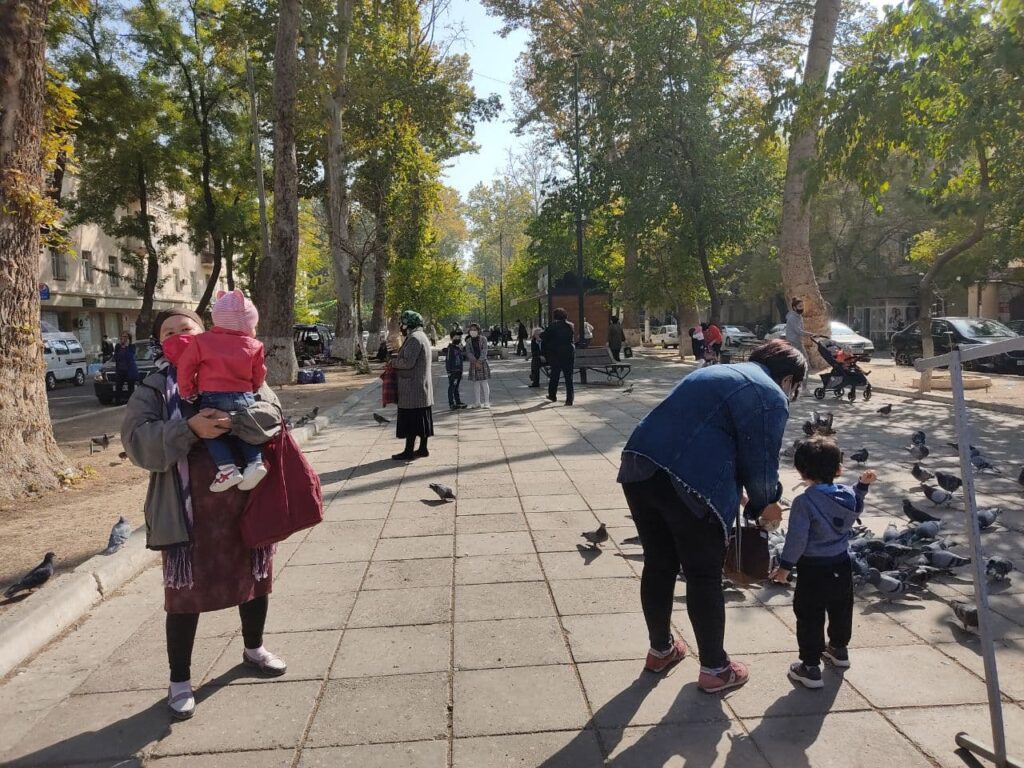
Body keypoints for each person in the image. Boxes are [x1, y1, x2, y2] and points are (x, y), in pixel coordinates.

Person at [122, 308, 286, 722]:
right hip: (187, 511)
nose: (178, 336)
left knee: (255, 578)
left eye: (186, 328)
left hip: (244, 500)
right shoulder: (154, 386)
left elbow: (273, 414)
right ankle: (179, 681)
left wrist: (237, 420)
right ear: (159, 342)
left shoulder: (238, 365)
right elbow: (136, 440)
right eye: (169, 332)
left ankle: (254, 649)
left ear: (204, 332)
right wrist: (189, 429)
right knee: (184, 596)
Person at [617, 339, 807, 693]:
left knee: (659, 564)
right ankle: (715, 669)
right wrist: (766, 504)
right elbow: (762, 465)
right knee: (703, 575)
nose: (792, 394)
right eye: (795, 387)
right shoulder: (770, 394)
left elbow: (702, 433)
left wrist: (741, 493)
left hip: (638, 466)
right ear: (788, 379)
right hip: (688, 484)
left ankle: (661, 650)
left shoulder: (713, 371)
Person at [771, 437, 876, 689]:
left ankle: (809, 667)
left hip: (813, 569)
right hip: (841, 563)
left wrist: (785, 567)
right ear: (838, 469)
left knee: (809, 615)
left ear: (802, 472)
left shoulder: (804, 502)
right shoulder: (847, 495)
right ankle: (839, 650)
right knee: (841, 608)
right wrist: (862, 485)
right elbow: (857, 502)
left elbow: (797, 539)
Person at [172, 289, 268, 493]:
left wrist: (188, 390)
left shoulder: (202, 341)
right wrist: (253, 387)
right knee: (245, 428)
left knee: (212, 431)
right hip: (244, 395)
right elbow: (259, 373)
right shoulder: (254, 345)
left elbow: (186, 366)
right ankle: (255, 462)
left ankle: (227, 468)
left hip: (213, 395)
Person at [391, 310, 434, 459]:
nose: (401, 327)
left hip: (413, 388)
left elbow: (408, 362)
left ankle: (409, 451)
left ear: (409, 324)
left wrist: (393, 362)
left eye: (402, 323)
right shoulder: (421, 336)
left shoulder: (414, 338)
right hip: (419, 387)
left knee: (411, 421)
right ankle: (422, 449)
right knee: (421, 421)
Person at [542, 307, 576, 406]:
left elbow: (544, 337)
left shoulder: (552, 326)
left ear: (555, 316)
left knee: (555, 375)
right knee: (569, 377)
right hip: (569, 353)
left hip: (556, 354)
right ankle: (569, 399)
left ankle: (552, 395)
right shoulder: (570, 326)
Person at [463, 323, 491, 409]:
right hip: (473, 363)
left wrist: (479, 360)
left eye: (474, 329)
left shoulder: (483, 339)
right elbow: (468, 352)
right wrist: (475, 361)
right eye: (471, 330)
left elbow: (484, 350)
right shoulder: (468, 341)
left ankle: (486, 402)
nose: (473, 331)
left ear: (478, 330)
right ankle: (477, 402)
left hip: (483, 362)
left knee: (484, 382)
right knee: (476, 383)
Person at [113, 332, 139, 404]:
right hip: (120, 370)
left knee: (131, 388)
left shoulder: (132, 346)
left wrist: (127, 347)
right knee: (118, 387)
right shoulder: (118, 346)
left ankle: (131, 402)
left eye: (125, 337)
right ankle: (117, 402)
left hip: (129, 371)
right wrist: (121, 348)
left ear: (128, 338)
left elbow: (129, 357)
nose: (123, 338)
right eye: (122, 336)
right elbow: (116, 357)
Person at [445, 329, 468, 410]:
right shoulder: (450, 348)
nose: (458, 338)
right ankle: (451, 403)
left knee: (456, 387)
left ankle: (458, 401)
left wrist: (461, 370)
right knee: (452, 387)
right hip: (452, 371)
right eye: (456, 336)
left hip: (459, 371)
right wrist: (449, 371)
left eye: (459, 336)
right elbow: (448, 360)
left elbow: (461, 359)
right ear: (452, 338)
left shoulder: (458, 348)